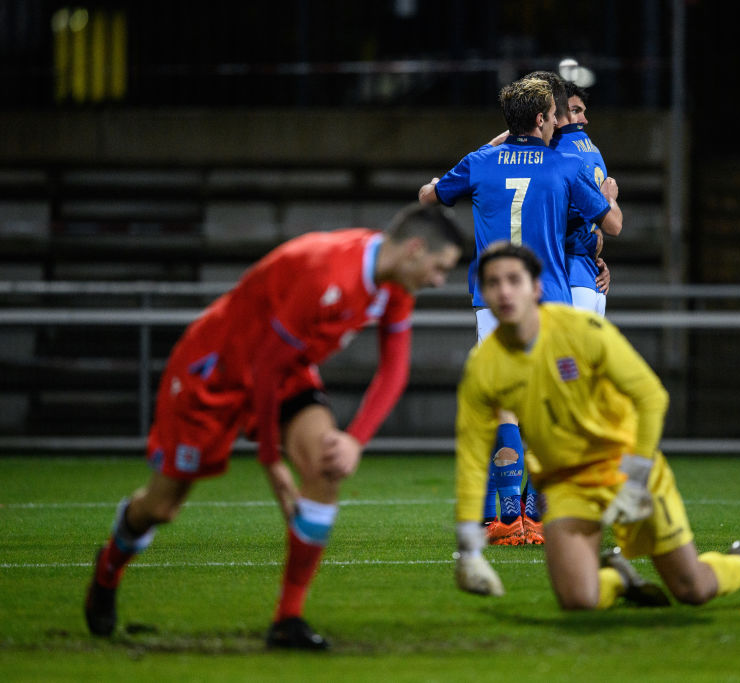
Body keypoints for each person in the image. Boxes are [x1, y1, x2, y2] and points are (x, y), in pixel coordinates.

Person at [84, 203, 465, 649]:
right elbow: (263, 366)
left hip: (285, 372)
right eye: (440, 268)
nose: (439, 280)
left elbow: (394, 370)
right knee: (161, 508)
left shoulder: (393, 283)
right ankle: (108, 568)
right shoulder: (326, 272)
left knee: (326, 466)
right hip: (213, 372)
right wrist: (271, 462)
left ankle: (288, 620)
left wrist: (354, 440)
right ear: (415, 250)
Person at [452, 242, 740, 611]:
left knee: (692, 589)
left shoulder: (581, 330)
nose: (504, 292)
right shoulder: (483, 366)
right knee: (578, 600)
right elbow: (473, 454)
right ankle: (619, 578)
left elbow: (651, 396)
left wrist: (635, 477)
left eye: (514, 280)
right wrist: (469, 547)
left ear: (536, 287)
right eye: (493, 283)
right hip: (565, 484)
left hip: (624, 468)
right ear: (482, 292)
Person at [419, 75, 621, 547]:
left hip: (492, 302)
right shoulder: (564, 165)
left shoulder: (481, 162)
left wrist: (489, 148)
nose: (558, 123)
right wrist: (609, 195)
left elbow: (428, 197)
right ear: (542, 118)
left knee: (504, 407)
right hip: (547, 301)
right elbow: (611, 224)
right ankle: (540, 515)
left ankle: (508, 518)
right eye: (553, 116)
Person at [558, 79, 614, 315]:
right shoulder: (593, 151)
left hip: (566, 277)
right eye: (575, 110)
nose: (584, 119)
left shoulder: (555, 153)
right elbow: (610, 223)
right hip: (589, 276)